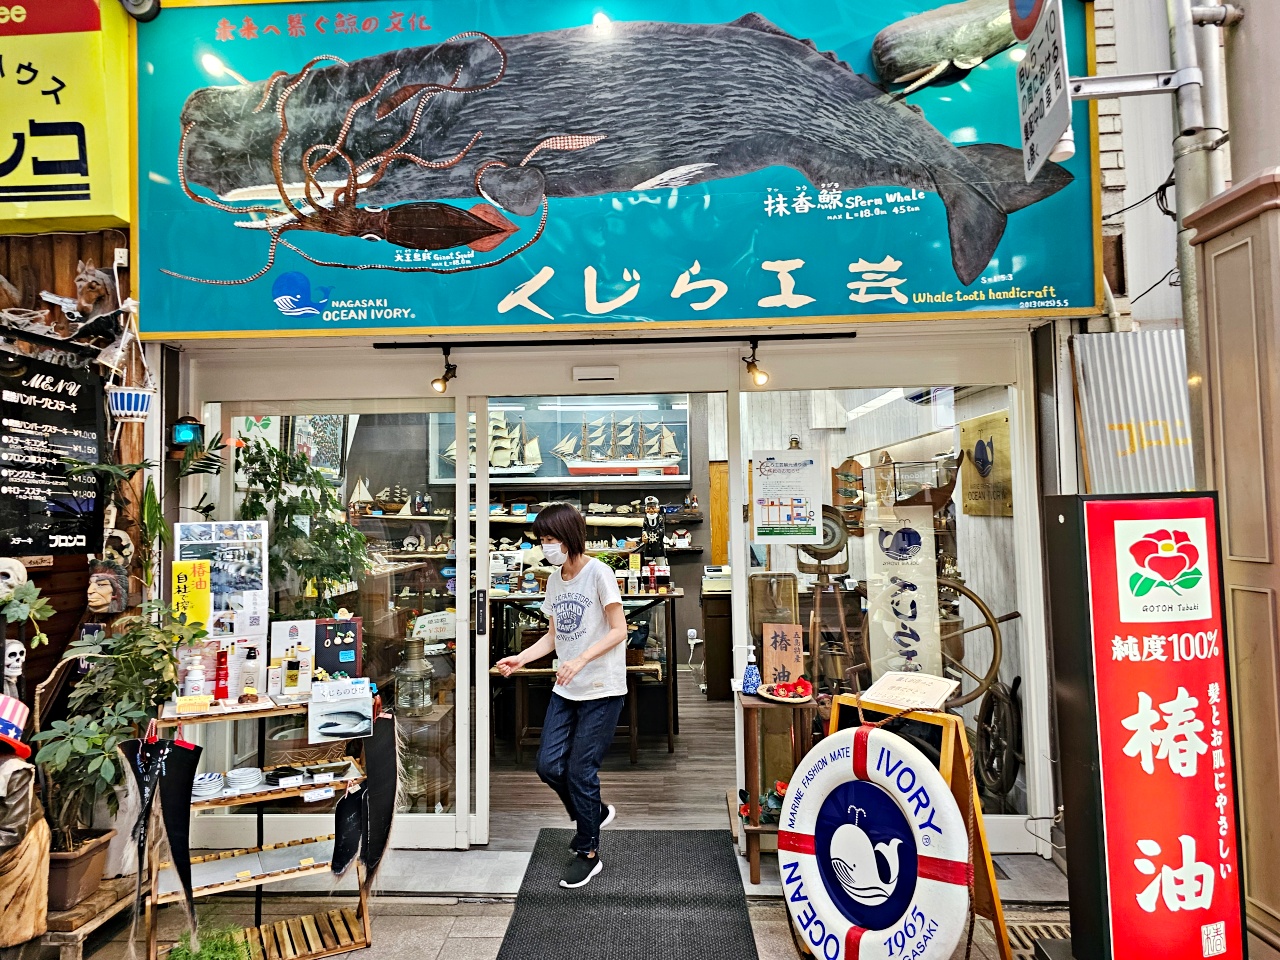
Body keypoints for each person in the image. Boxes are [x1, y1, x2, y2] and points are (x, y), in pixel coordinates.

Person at [496, 502, 627, 889]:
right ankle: (594, 811)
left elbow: (619, 629)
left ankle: (588, 851)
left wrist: (582, 659)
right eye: (542, 540)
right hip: (566, 688)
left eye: (551, 539)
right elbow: (554, 637)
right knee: (548, 766)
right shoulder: (555, 580)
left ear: (570, 537)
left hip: (602, 689)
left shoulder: (599, 573)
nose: (546, 546)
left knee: (579, 770)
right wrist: (520, 658)